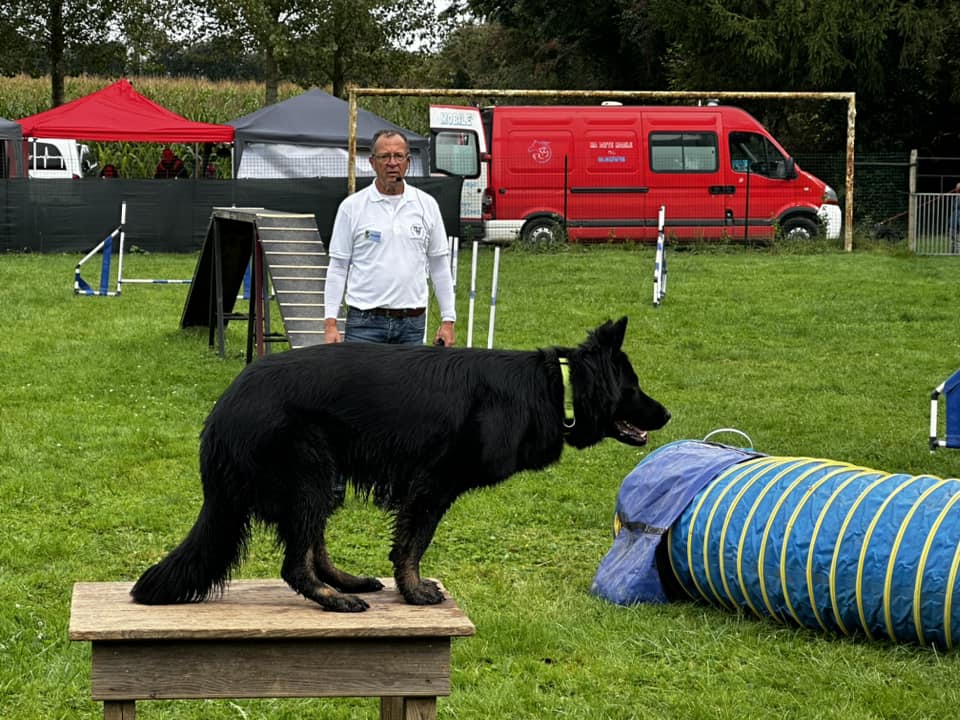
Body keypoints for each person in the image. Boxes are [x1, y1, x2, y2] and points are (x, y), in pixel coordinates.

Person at [323, 129, 456, 346]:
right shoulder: (352, 207)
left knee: (411, 382)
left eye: (398, 156)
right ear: (372, 162)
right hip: (364, 324)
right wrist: (330, 324)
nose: (392, 163)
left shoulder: (426, 205)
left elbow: (439, 265)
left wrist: (448, 320)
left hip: (412, 326)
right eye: (385, 156)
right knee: (360, 382)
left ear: (408, 162)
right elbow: (338, 267)